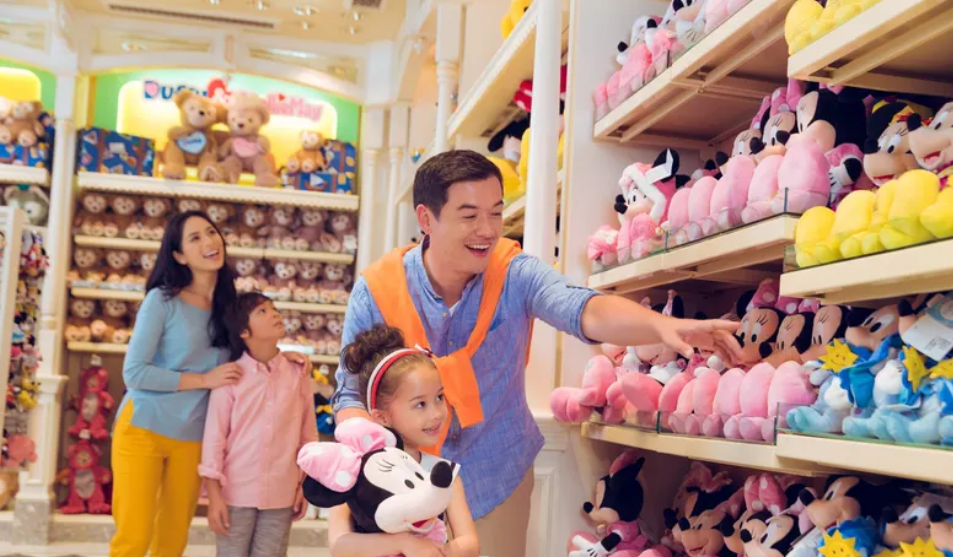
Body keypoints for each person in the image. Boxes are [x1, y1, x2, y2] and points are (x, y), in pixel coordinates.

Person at [333, 150, 743, 557]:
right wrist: (368, 464)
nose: (487, 230)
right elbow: (351, 394)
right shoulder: (379, 289)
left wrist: (661, 326)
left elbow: (581, 307)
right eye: (469, 215)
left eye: (496, 213)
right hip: (401, 487)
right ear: (426, 219)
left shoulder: (514, 272)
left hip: (497, 473)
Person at [109, 212, 306, 557]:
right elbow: (135, 373)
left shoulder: (229, 308)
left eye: (211, 232)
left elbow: (247, 354)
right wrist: (203, 380)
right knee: (134, 538)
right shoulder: (162, 301)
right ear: (179, 255)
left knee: (173, 540)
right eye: (195, 238)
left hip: (194, 438)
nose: (209, 242)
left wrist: (280, 357)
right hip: (143, 428)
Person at [324, 324, 479, 557]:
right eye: (420, 404)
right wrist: (404, 544)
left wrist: (440, 552)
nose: (436, 413)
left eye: (439, 397)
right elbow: (339, 544)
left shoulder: (442, 473)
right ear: (382, 417)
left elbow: (469, 542)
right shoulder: (356, 470)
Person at [199, 292, 317, 557]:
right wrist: (214, 496)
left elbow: (308, 436)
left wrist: (304, 485)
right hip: (235, 494)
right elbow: (215, 439)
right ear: (243, 332)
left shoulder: (297, 373)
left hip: (282, 493)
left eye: (274, 308)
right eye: (262, 311)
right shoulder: (231, 377)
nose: (274, 314)